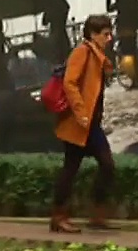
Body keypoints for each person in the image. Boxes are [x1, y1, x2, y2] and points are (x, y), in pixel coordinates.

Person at [50, 14, 118, 233]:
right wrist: (80, 113)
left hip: (91, 124)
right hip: (79, 123)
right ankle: (59, 216)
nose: (109, 38)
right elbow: (69, 82)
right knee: (71, 169)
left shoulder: (98, 55)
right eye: (105, 34)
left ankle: (96, 214)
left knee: (106, 166)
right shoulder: (82, 52)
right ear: (93, 34)